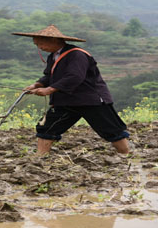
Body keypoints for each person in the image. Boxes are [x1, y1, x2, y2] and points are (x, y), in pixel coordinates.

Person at [14, 25, 130, 155]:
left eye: (41, 44)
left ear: (54, 40)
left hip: (91, 100)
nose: (39, 47)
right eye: (37, 45)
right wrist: (37, 85)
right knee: (46, 127)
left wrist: (49, 90)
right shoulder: (53, 56)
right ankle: (40, 158)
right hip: (66, 101)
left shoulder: (77, 55)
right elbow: (49, 75)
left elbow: (74, 77)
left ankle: (127, 156)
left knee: (112, 130)